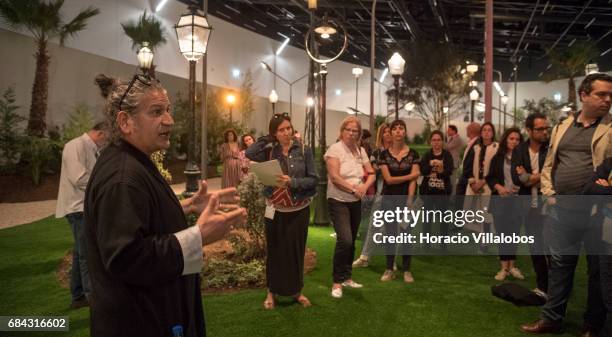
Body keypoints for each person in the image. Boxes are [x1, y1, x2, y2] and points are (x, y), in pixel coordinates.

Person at [85, 73, 247, 337]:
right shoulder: (123, 177)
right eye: (157, 112)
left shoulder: (132, 161)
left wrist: (184, 206)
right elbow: (126, 258)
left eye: (168, 110)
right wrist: (197, 237)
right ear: (125, 121)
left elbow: (139, 219)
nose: (169, 121)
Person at [521, 73, 611, 336]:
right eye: (601, 94)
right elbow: (549, 165)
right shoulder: (563, 126)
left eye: (610, 96)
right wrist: (549, 193)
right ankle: (551, 319)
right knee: (559, 267)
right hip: (562, 209)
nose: (608, 100)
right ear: (584, 95)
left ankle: (592, 326)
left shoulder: (610, 128)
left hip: (598, 212)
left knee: (596, 272)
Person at [245, 113, 318, 309]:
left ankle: (297, 291)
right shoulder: (269, 151)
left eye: (289, 128)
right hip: (274, 209)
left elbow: (313, 179)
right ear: (274, 133)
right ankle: (272, 292)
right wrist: (267, 139)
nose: (287, 133)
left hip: (298, 209)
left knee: (296, 251)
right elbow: (249, 153)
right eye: (281, 130)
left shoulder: (304, 150)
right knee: (275, 251)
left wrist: (292, 182)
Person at [55, 122, 106, 309]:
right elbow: (78, 178)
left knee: (80, 252)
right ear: (101, 133)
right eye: (107, 138)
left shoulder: (89, 148)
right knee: (87, 253)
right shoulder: (75, 146)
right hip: (77, 208)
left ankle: (77, 297)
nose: (107, 143)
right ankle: (93, 298)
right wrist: (104, 184)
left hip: (82, 207)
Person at [325, 116, 376, 299]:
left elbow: (371, 174)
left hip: (356, 200)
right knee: (345, 240)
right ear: (342, 131)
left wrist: (363, 186)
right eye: (349, 129)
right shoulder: (334, 149)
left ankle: (347, 277)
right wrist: (355, 188)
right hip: (338, 200)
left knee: (352, 240)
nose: (352, 133)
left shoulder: (360, 150)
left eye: (355, 130)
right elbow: (335, 177)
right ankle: (337, 282)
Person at [511, 112, 550, 297]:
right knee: (535, 247)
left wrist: (530, 176)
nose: (544, 132)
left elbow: (553, 175)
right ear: (529, 130)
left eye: (546, 128)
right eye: (540, 129)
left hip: (548, 204)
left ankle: (556, 287)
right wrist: (539, 176)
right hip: (528, 206)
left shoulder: (550, 149)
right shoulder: (519, 150)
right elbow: (517, 179)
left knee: (551, 248)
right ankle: (543, 287)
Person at [379, 119, 421, 283]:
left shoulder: (413, 154)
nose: (397, 131)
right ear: (390, 132)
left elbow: (413, 182)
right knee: (390, 235)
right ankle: (389, 269)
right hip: (388, 200)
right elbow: (388, 180)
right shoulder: (384, 155)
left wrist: (410, 202)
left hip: (406, 200)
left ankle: (407, 270)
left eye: (401, 128)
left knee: (406, 235)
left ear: (404, 132)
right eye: (394, 128)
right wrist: (411, 175)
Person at [486, 127, 524, 281]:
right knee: (502, 235)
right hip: (500, 201)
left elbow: (527, 177)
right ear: (506, 140)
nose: (514, 141)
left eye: (517, 139)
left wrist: (521, 185)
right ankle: (503, 268)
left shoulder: (523, 158)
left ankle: (512, 266)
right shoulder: (498, 157)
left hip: (517, 201)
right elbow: (490, 178)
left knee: (514, 234)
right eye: (511, 138)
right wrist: (499, 187)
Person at [353, 123, 392, 268]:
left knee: (394, 228)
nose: (388, 134)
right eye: (385, 132)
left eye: (389, 132)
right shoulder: (376, 153)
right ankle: (364, 257)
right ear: (381, 135)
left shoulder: (398, 152)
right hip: (382, 192)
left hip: (398, 193)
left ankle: (391, 260)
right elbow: (374, 172)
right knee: (374, 225)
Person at [585, 158, 612, 337]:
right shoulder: (609, 163)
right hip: (606, 233)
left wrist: (606, 189)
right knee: (606, 289)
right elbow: (589, 188)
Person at [419, 130, 454, 250]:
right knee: (427, 218)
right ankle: (426, 243)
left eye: (439, 140)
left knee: (443, 219)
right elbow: (422, 170)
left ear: (442, 141)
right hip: (428, 191)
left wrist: (439, 171)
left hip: (442, 191)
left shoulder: (447, 155)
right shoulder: (427, 155)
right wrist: (432, 164)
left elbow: (449, 171)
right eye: (434, 140)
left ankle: (443, 244)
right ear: (430, 142)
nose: (436, 142)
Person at [463, 122, 498, 240]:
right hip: (474, 186)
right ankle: (477, 234)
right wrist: (473, 183)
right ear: (481, 133)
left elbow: (497, 169)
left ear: (493, 133)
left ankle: (486, 238)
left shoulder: (497, 148)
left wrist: (483, 182)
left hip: (489, 185)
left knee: (486, 213)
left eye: (489, 130)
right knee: (473, 212)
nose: (487, 132)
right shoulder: (475, 148)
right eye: (484, 130)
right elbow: (467, 167)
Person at [455, 122, 481, 205]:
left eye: (467, 128)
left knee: (461, 204)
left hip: (468, 178)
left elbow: (471, 163)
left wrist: (470, 179)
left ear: (471, 130)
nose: (466, 130)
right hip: (465, 176)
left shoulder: (477, 144)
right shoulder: (472, 142)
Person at [446, 124, 464, 195]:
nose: (447, 131)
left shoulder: (457, 139)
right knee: (450, 181)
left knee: (452, 182)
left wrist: (440, 142)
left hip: (453, 163)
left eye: (449, 130)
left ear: (453, 131)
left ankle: (452, 198)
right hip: (450, 163)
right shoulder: (452, 138)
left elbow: (448, 147)